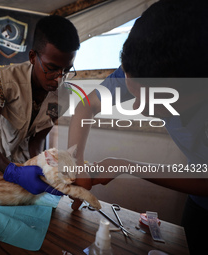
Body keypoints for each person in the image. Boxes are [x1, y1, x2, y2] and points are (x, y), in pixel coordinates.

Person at [67, 0, 208, 254]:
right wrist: (75, 161)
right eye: (132, 93)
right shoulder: (144, 65)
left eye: (151, 99)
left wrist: (126, 165)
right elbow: (86, 107)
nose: (140, 108)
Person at [0, 15, 80, 195]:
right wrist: (12, 172)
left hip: (26, 164)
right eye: (52, 68)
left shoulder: (64, 97)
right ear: (32, 56)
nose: (59, 79)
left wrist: (41, 167)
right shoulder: (2, 79)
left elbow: (38, 138)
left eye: (66, 70)